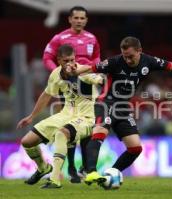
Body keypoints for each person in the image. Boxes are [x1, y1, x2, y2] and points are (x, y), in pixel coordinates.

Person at [73, 36, 172, 185]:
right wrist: (75, 70)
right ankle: (89, 171)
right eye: (125, 56)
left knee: (135, 148)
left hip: (123, 107)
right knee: (99, 133)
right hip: (106, 103)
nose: (128, 60)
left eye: (131, 56)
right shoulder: (115, 62)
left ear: (139, 51)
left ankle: (111, 173)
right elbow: (90, 67)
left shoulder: (148, 61)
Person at [17, 44, 105, 188]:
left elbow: (100, 79)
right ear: (59, 60)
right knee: (27, 141)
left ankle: (55, 179)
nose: (70, 64)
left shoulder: (84, 72)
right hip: (65, 114)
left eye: (72, 60)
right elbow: (46, 95)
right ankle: (43, 168)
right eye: (66, 61)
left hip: (87, 118)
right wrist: (31, 116)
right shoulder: (56, 74)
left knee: (61, 134)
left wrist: (101, 78)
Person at [42, 5, 101, 183]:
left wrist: (95, 73)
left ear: (86, 20)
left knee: (87, 125)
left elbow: (97, 59)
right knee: (69, 124)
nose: (79, 21)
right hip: (67, 86)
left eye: (82, 18)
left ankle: (84, 167)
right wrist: (60, 75)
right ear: (69, 19)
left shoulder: (92, 38)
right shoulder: (60, 37)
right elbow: (47, 57)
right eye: (76, 18)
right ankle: (71, 167)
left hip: (87, 84)